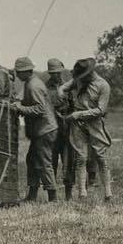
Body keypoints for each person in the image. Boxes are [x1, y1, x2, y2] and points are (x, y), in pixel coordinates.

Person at [60, 58, 113, 201]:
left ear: (89, 73)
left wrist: (78, 114)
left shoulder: (103, 85)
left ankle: (108, 192)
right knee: (81, 157)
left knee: (101, 157)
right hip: (77, 124)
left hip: (94, 123)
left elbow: (101, 110)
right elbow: (64, 87)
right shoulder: (78, 81)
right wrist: (62, 94)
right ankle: (82, 192)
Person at [9, 57, 59, 202]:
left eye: (19, 71)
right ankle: (32, 195)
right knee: (32, 160)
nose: (17, 74)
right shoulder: (30, 83)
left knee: (44, 162)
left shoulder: (34, 86)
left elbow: (39, 109)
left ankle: (53, 197)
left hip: (45, 129)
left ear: (27, 71)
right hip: (42, 130)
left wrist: (20, 108)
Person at [45, 58, 75, 199]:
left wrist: (68, 116)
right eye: (53, 73)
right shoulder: (45, 88)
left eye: (58, 72)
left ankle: (69, 194)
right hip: (51, 130)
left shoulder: (68, 87)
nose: (56, 75)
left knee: (68, 161)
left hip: (67, 129)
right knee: (51, 161)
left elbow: (74, 106)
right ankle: (52, 195)